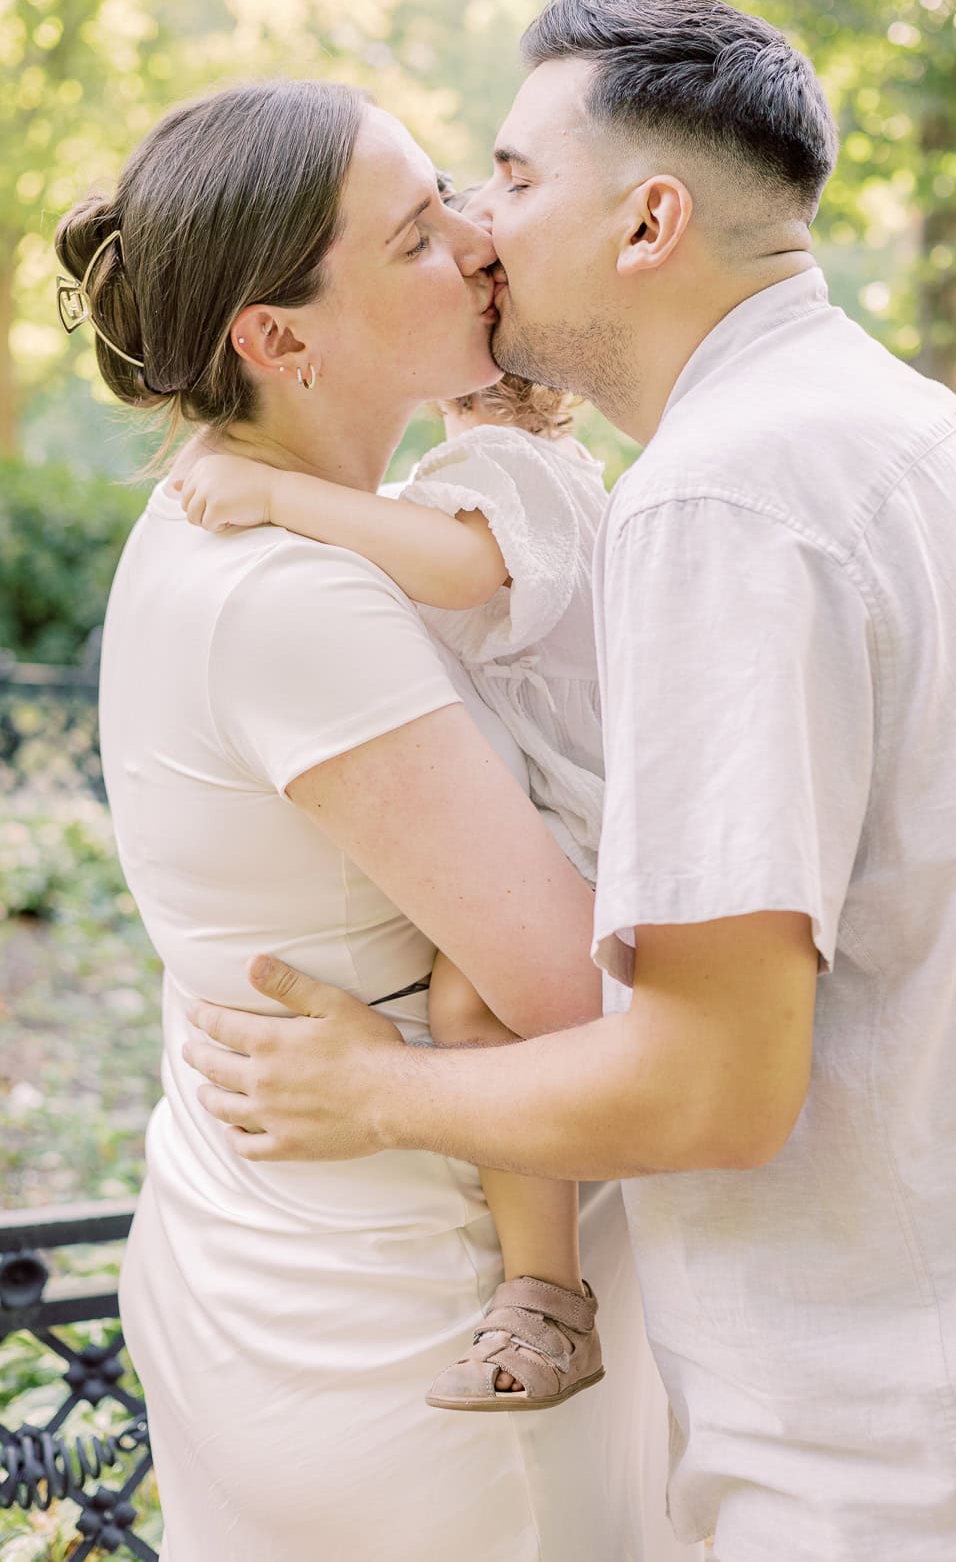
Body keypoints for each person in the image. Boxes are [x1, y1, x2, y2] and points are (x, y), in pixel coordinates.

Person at [186, 0, 956, 1562]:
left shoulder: (728, 504)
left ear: (648, 222)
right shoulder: (912, 434)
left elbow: (712, 1080)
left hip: (908, 1484)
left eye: (508, 177)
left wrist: (377, 1092)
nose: (477, 228)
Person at [55, 78, 698, 1561]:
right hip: (423, 1349)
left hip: (271, 1265)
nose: (478, 243)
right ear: (278, 341)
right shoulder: (297, 594)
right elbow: (566, 994)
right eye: (418, 234)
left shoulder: (210, 520)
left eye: (456, 201)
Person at [173, 338, 609, 1412]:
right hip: (559, 797)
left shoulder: (524, 473)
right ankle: (548, 1287)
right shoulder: (468, 481)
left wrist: (278, 490)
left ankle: (547, 1291)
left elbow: (459, 568)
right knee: (475, 998)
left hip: (586, 808)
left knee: (481, 1000)